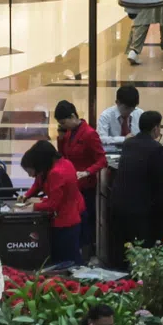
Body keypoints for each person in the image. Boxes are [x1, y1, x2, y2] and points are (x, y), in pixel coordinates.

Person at [109, 110, 163, 258]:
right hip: (140, 206)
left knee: (123, 247)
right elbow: (160, 176)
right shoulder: (156, 148)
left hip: (118, 201)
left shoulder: (128, 143)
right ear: (155, 129)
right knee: (143, 245)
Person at [18, 138, 84, 266]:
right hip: (72, 216)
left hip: (65, 221)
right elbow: (39, 182)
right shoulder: (62, 163)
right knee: (71, 257)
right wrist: (27, 195)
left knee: (66, 260)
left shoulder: (56, 173)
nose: (29, 175)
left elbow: (53, 204)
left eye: (30, 170)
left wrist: (32, 207)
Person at [53, 99, 106, 258]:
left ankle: (88, 254)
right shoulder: (68, 133)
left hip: (86, 185)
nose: (63, 126)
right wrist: (60, 138)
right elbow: (63, 156)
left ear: (72, 116)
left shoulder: (89, 134)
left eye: (63, 122)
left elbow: (102, 160)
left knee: (86, 220)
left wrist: (87, 172)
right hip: (73, 185)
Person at [97, 84, 143, 148]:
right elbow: (101, 139)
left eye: (132, 108)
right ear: (117, 102)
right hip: (112, 154)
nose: (129, 112)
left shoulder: (140, 113)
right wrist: (123, 139)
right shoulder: (106, 115)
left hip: (136, 152)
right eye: (126, 108)